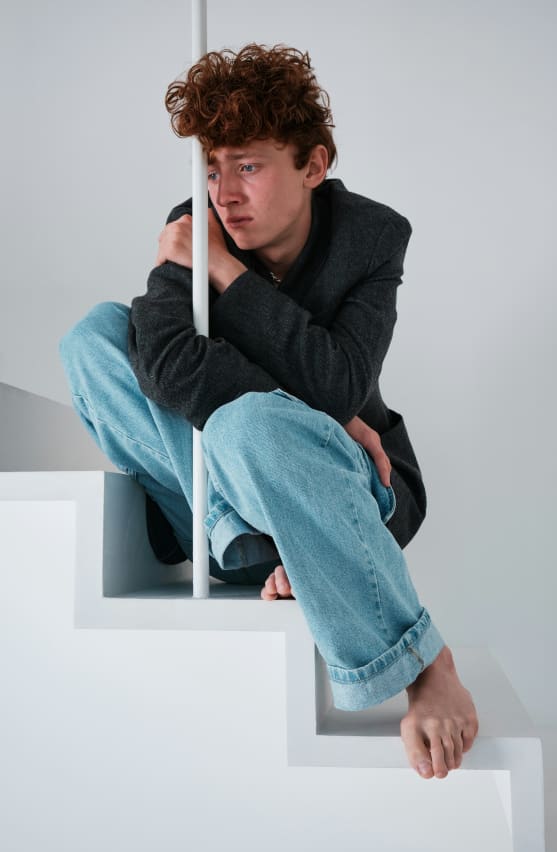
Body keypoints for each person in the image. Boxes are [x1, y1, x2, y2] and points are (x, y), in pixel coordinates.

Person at [59, 42, 478, 779]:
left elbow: (342, 380)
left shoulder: (372, 238)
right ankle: (244, 535)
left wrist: (223, 273)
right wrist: (301, 399)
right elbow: (162, 364)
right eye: (212, 168)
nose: (223, 194)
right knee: (94, 337)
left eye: (248, 166)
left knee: (250, 424)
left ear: (312, 166)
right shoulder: (191, 218)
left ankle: (422, 660)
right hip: (225, 485)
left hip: (343, 477)